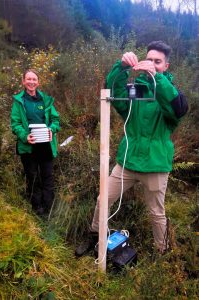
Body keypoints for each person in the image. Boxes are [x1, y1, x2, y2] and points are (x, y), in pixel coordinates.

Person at [75, 41, 188, 256]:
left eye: (158, 61)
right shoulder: (135, 90)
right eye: (150, 60)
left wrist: (158, 78)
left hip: (155, 165)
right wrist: (122, 66)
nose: (153, 64)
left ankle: (162, 254)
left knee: (156, 213)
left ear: (166, 66)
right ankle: (94, 236)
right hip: (128, 161)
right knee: (103, 199)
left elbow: (178, 109)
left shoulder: (170, 94)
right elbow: (112, 92)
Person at [11, 69, 60, 216]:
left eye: (34, 79)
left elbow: (55, 120)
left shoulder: (45, 100)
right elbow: (15, 124)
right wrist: (25, 136)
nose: (31, 82)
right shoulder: (19, 101)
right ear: (24, 82)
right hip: (28, 146)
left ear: (38, 82)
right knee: (32, 177)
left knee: (47, 176)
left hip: (45, 145)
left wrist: (52, 129)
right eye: (28, 79)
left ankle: (48, 207)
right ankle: (37, 209)